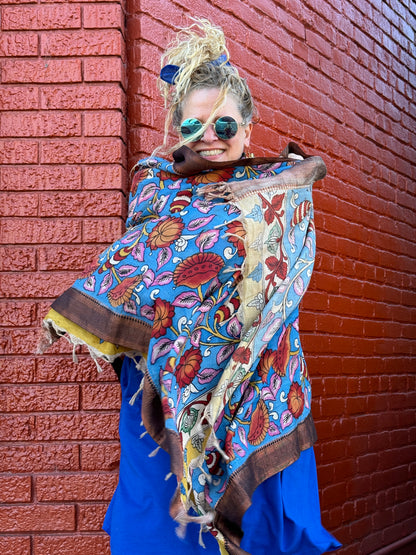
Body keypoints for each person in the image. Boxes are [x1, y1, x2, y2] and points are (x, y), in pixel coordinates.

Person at [39, 18, 341, 555]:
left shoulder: (281, 196)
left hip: (255, 386)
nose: (210, 139)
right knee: (160, 527)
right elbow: (138, 273)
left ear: (247, 131)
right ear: (177, 129)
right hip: (162, 384)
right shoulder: (155, 190)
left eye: (225, 127)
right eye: (194, 126)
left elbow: (278, 283)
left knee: (261, 529)